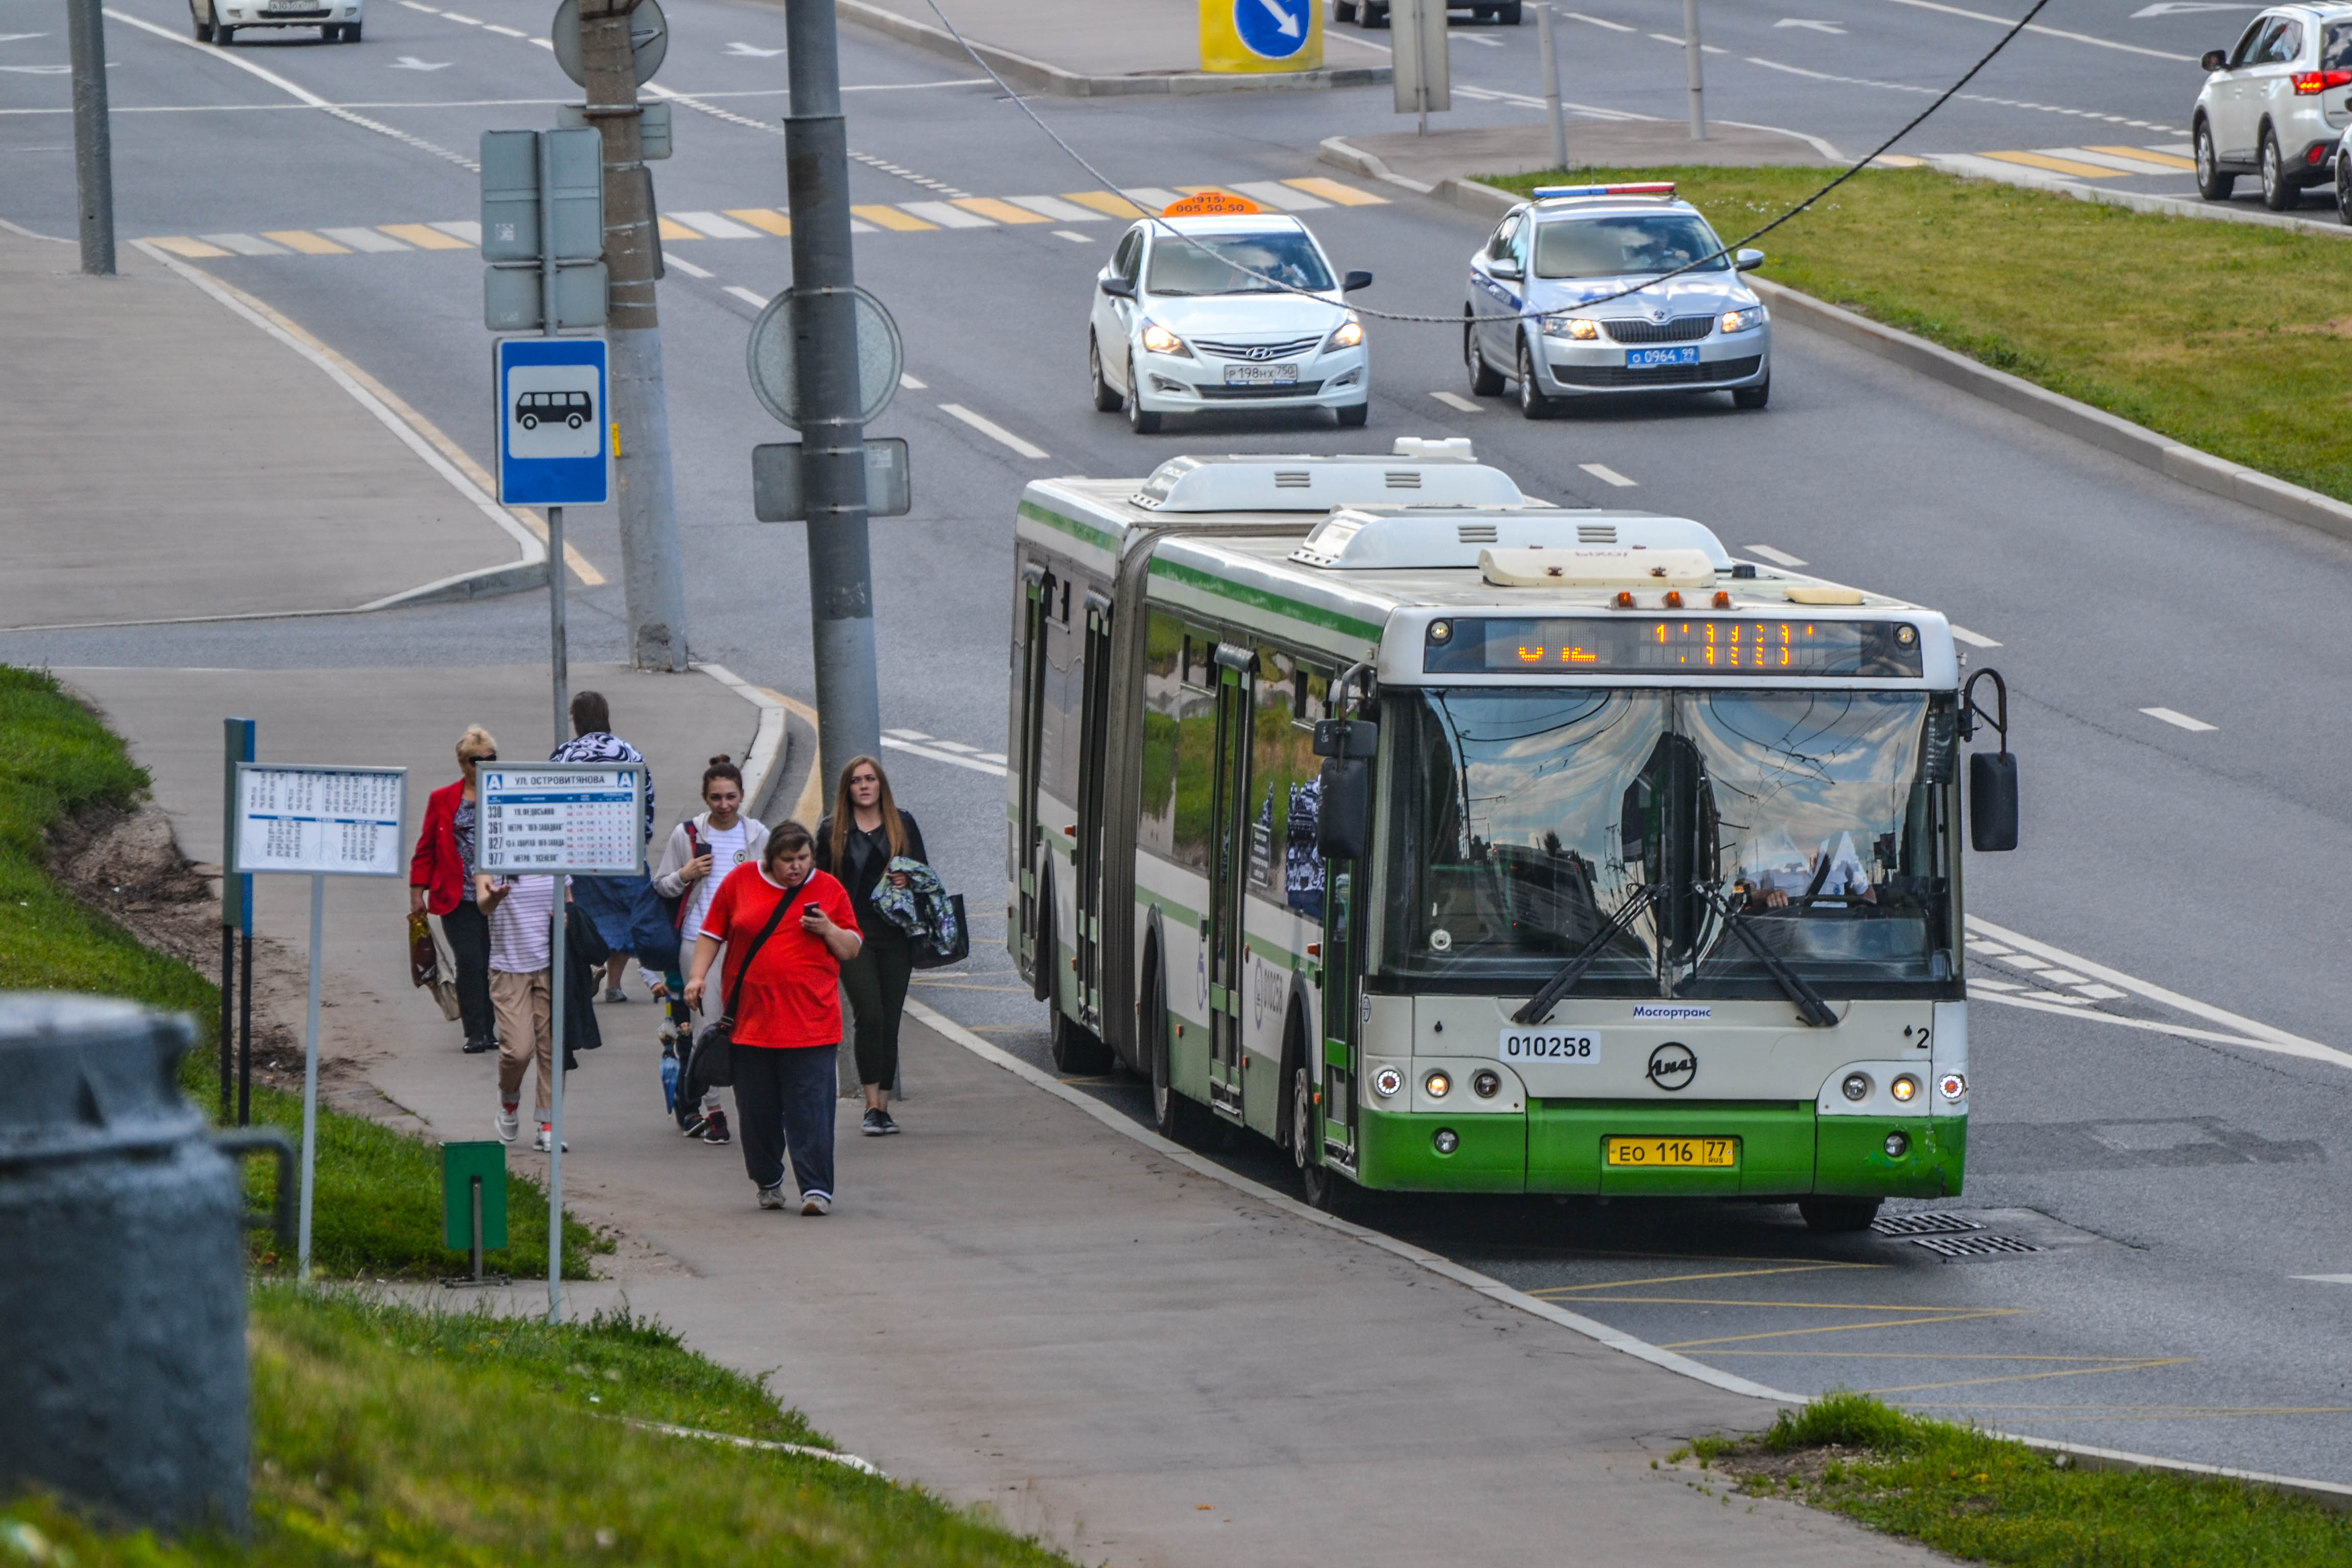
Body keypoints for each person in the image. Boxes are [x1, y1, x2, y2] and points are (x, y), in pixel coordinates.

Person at [684, 823, 860, 1215]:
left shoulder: (829, 889)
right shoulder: (741, 881)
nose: (796, 868)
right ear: (770, 859)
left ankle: (816, 1190)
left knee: (811, 1110)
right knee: (757, 1112)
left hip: (812, 1023)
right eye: (787, 861)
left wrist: (827, 929)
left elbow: (851, 949)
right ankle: (768, 1181)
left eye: (803, 859)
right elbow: (712, 932)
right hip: (751, 1023)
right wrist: (697, 977)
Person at [647, 756, 770, 1145]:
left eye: (731, 797)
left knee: (752, 1027)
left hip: (747, 946)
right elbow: (661, 885)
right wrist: (686, 875)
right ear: (705, 798)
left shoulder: (757, 835)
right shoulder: (688, 835)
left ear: (742, 796)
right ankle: (713, 1110)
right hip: (698, 944)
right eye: (716, 798)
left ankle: (756, 1106)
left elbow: (774, 884)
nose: (724, 805)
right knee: (708, 1028)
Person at [815, 755, 926, 1137]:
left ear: (881, 785)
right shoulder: (833, 829)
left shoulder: (903, 822)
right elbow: (818, 883)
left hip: (896, 933)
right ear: (846, 789)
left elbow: (925, 876)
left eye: (871, 779)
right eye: (856, 781)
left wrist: (905, 880)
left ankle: (884, 1106)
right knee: (871, 1014)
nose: (864, 786)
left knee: (891, 1019)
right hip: (852, 933)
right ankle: (869, 1105)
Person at [551, 690, 655, 1003]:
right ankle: (614, 984)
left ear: (577, 720)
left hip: (579, 852)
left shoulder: (565, 755)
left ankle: (584, 975)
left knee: (583, 916)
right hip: (622, 850)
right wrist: (643, 841)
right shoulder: (629, 753)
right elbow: (646, 800)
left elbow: (550, 800)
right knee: (626, 914)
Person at [409, 726, 499, 1054]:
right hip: (457, 896)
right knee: (471, 961)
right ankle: (475, 1031)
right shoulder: (443, 799)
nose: (485, 765)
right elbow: (426, 850)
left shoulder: (507, 794)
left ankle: (491, 1030)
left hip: (498, 896)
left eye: (492, 759)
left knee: (494, 963)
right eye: (477, 761)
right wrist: (417, 894)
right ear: (463, 764)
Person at [479, 865, 571, 1152]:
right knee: (518, 1050)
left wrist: (567, 915)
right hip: (509, 969)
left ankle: (548, 1125)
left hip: (551, 965)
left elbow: (568, 897)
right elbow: (483, 905)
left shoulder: (553, 853)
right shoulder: (494, 855)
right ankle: (509, 1097)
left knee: (552, 1048)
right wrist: (495, 897)